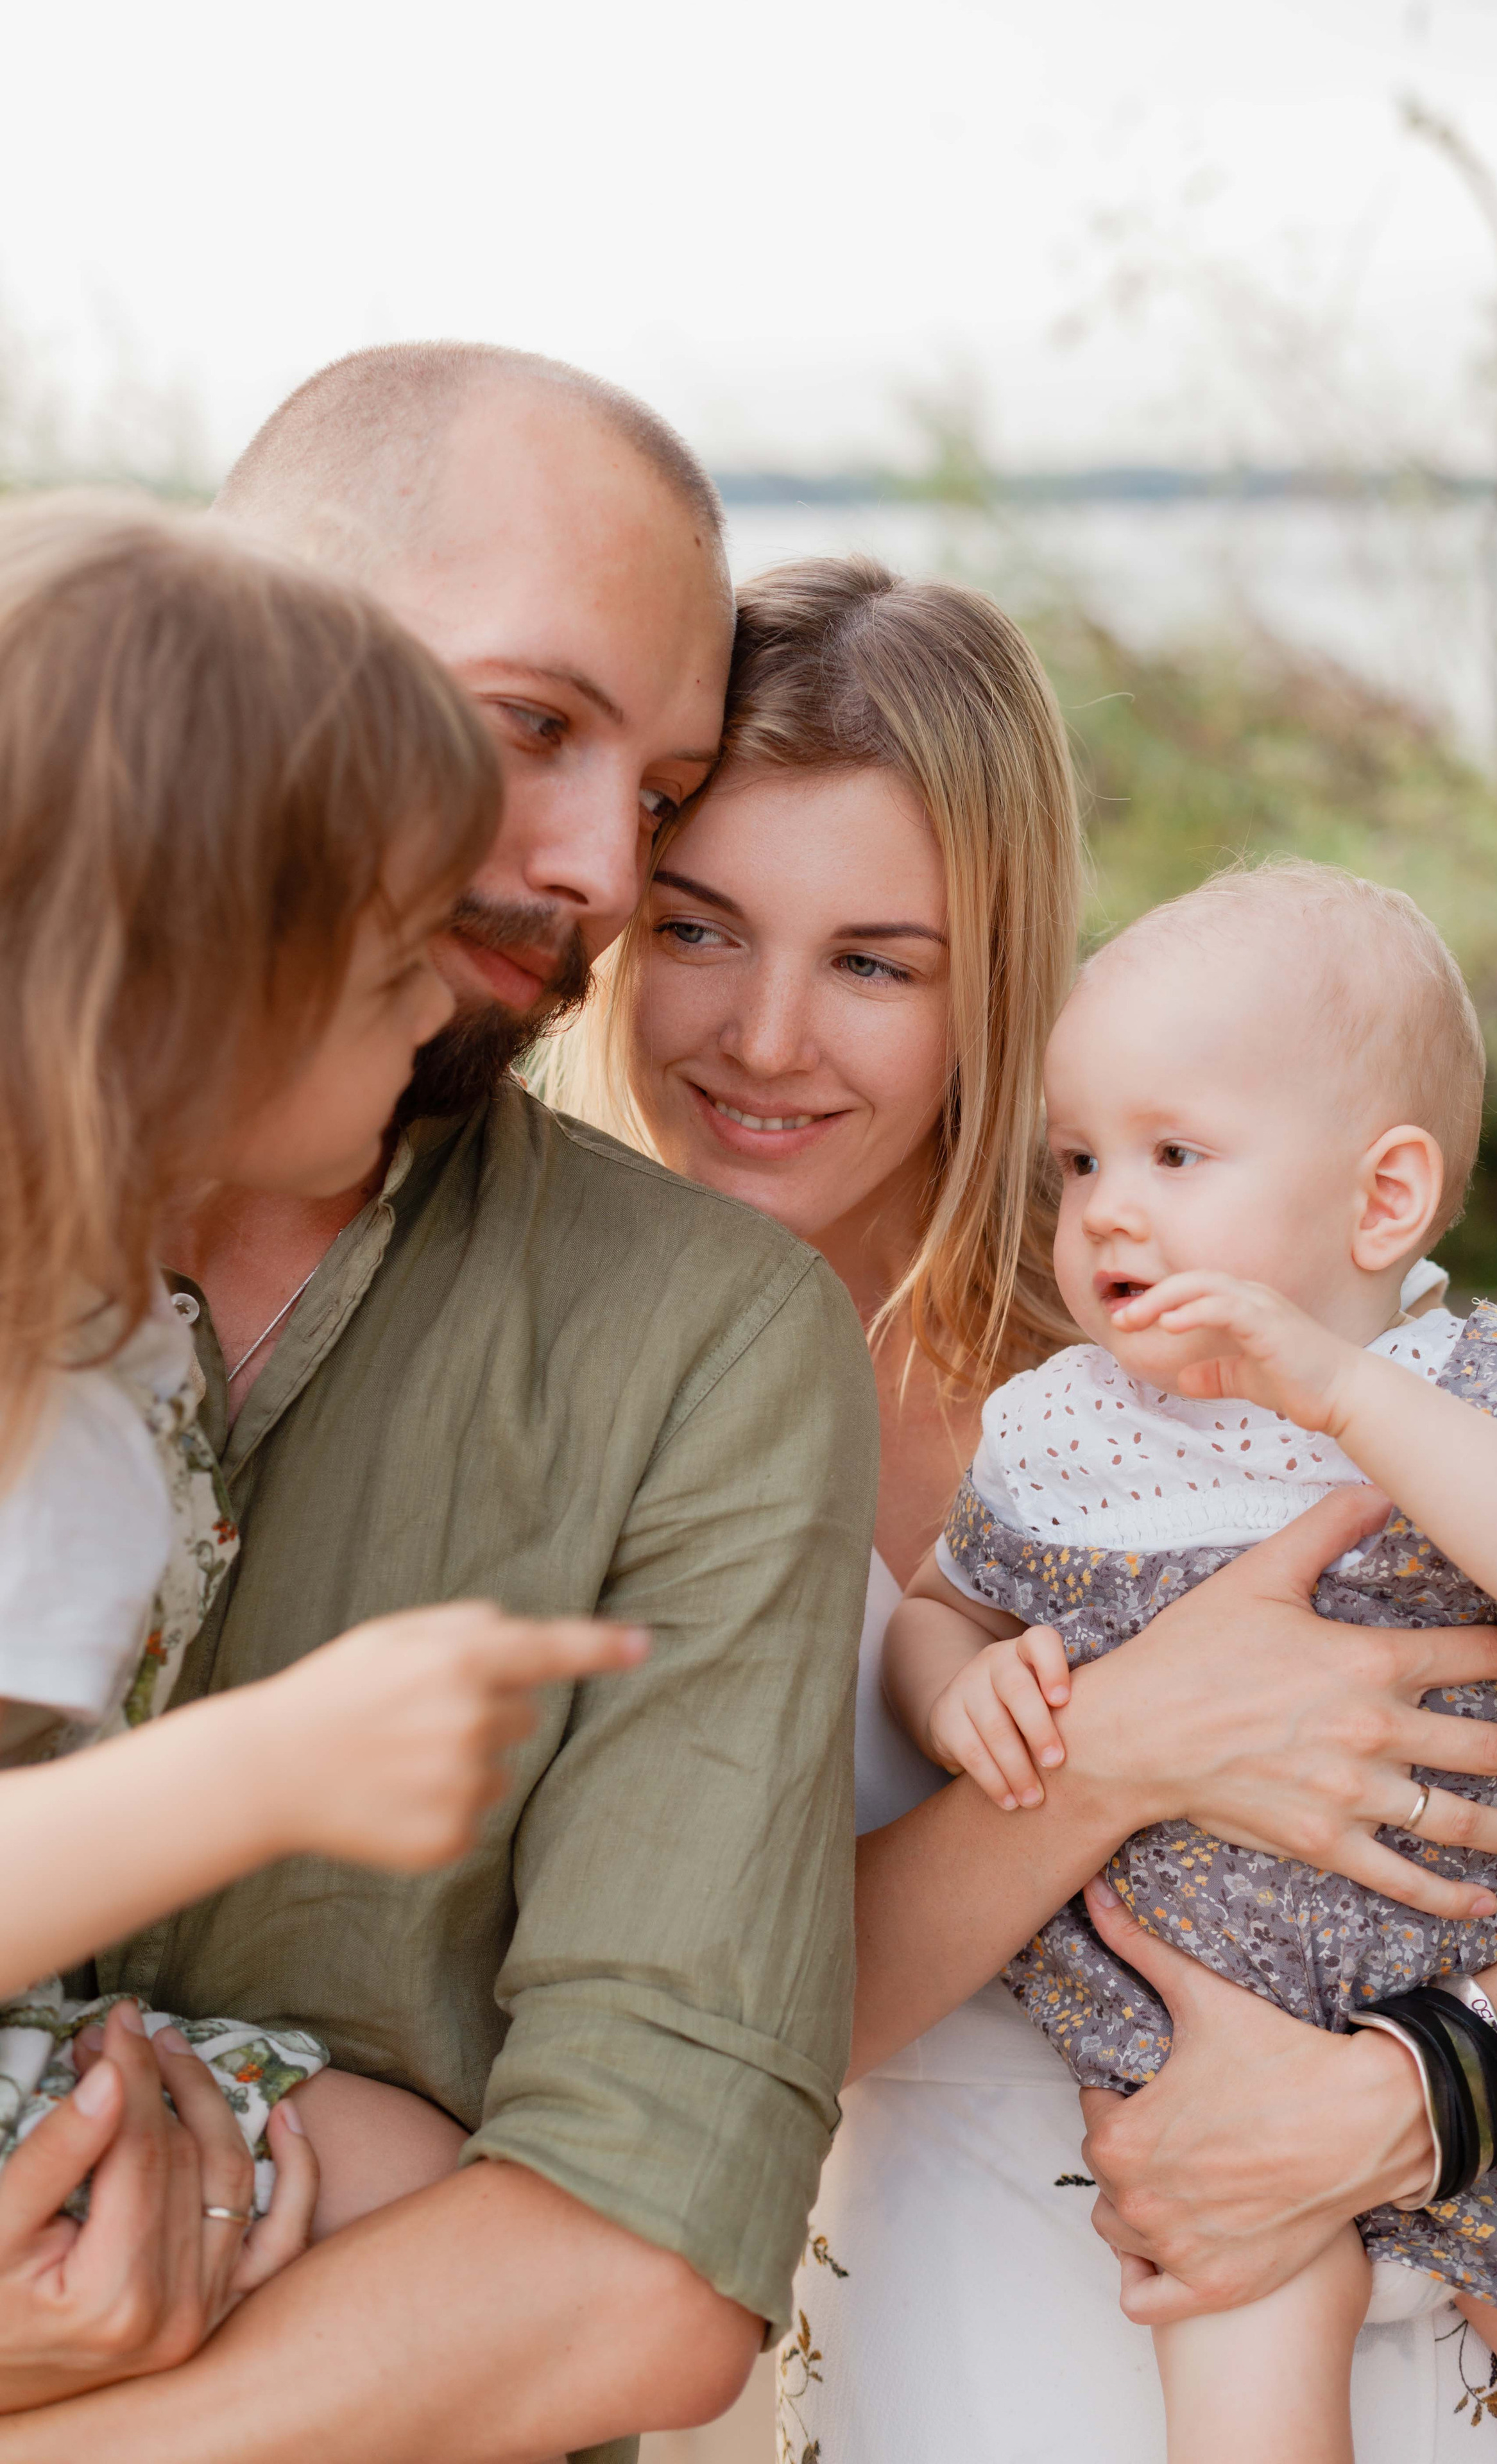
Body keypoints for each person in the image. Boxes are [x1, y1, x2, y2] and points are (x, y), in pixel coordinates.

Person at [553, 551, 1497, 2462]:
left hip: (1489, 2239)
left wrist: (1418, 2092)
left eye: (878, 960)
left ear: (1007, 977)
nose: (767, 1037)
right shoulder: (575, 1401)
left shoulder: (1229, 1324)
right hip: (1019, 2314)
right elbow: (690, 2050)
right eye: (703, 929)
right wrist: (1128, 1748)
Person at [0, 350, 878, 2464]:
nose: (598, 869)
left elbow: (643, 2265)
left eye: (660, 792)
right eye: (529, 728)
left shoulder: (707, 1346)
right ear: (248, 666)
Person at [884, 858, 1497, 2464]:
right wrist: (956, 1689)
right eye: (1078, 1161)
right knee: (1240, 2404)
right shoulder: (1066, 1424)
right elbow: (945, 1603)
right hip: (1194, 2072)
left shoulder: (1481, 1385)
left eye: (1173, 1153)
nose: (1105, 1209)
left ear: (1379, 1200)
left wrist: (1343, 1396)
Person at [0, 492, 644, 2357]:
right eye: (385, 982)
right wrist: (272, 1767)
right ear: (185, 1012)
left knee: (409, 2172)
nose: (431, 1014)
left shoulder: (99, 1333)